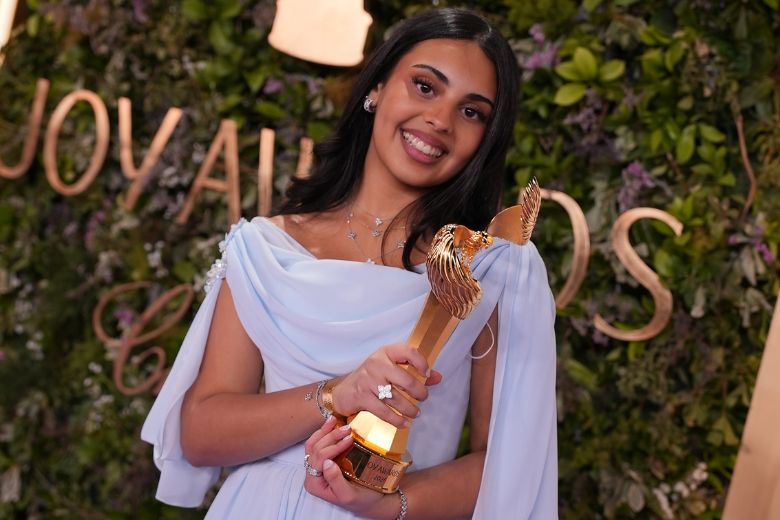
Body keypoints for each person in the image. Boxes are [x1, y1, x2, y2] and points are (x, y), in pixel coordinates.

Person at [141, 7, 557, 519]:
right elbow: (201, 433)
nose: (440, 121)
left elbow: (507, 464)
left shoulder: (493, 269)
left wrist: (387, 507)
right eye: (425, 86)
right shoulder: (266, 249)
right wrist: (339, 392)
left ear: (485, 140)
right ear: (377, 87)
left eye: (472, 112)